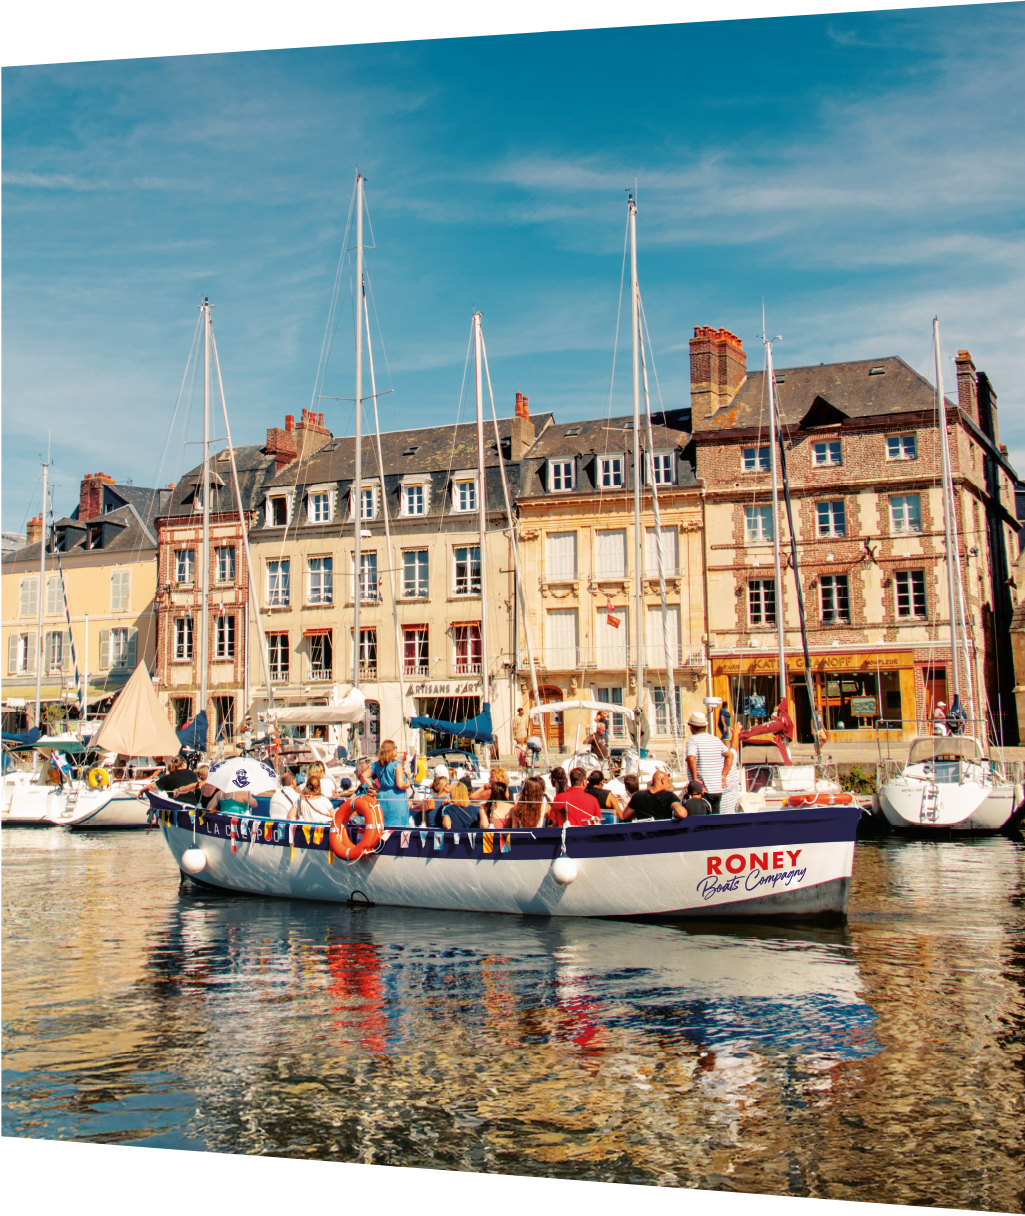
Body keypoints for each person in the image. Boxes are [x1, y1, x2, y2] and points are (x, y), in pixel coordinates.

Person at [685, 711, 727, 813]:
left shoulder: (693, 740)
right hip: (717, 789)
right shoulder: (716, 740)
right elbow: (729, 755)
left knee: (701, 820)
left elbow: (691, 758)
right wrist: (724, 775)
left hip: (703, 789)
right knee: (715, 821)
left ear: (692, 727)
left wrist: (695, 780)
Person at [372, 739, 412, 827]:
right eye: (395, 747)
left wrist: (375, 788)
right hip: (397, 799)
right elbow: (400, 785)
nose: (397, 749)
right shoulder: (397, 765)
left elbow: (364, 775)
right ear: (391, 750)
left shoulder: (376, 765)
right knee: (399, 830)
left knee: (384, 828)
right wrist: (408, 784)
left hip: (382, 799)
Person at [622, 769, 687, 821]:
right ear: (662, 780)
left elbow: (625, 816)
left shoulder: (637, 796)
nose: (669, 786)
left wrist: (639, 813)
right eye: (668, 782)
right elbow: (682, 813)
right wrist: (675, 814)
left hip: (643, 835)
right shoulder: (669, 796)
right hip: (662, 834)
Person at [718, 723, 742, 815]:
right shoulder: (731, 758)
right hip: (732, 810)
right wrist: (735, 733)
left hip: (717, 811)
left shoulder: (711, 765)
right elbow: (734, 748)